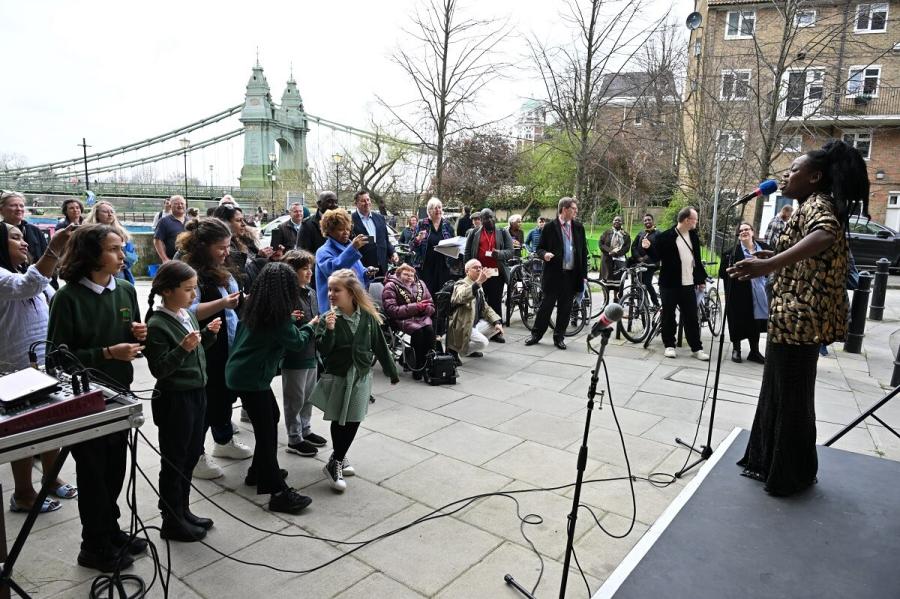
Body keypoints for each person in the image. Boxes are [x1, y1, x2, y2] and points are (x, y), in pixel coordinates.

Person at [727, 139, 867, 497]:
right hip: (791, 315)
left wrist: (770, 264)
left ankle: (790, 474)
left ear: (815, 177)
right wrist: (770, 254)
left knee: (790, 395)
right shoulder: (807, 203)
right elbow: (807, 250)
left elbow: (824, 234)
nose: (786, 176)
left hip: (801, 318)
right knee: (780, 391)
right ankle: (769, 464)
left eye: (794, 171)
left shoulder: (818, 204)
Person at [48, 224, 149, 572]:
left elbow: (133, 343)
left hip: (120, 395)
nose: (123, 256)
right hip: (85, 402)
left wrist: (140, 336)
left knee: (115, 471)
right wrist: (107, 352)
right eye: (113, 249)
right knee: (92, 475)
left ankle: (111, 530)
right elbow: (57, 360)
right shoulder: (67, 298)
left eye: (122, 248)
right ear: (91, 255)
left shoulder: (124, 290)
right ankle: (93, 545)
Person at [225, 263, 318, 513]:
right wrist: (312, 325)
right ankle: (276, 491)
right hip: (251, 378)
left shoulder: (258, 306)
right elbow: (296, 342)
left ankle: (258, 471)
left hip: (242, 373)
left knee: (271, 418)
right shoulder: (276, 317)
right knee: (267, 432)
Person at [0, 223, 77, 515]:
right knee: (25, 429)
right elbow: (27, 287)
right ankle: (23, 493)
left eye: (23, 237)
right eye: (14, 238)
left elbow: (44, 292)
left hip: (43, 363)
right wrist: (53, 248)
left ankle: (50, 476)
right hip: (15, 368)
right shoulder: (5, 276)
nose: (23, 243)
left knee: (49, 423)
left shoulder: (23, 272)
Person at [144, 262, 222, 541]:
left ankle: (183, 509)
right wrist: (182, 348)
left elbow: (195, 353)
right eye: (188, 289)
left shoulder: (185, 315)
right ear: (167, 290)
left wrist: (208, 337)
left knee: (190, 455)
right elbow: (160, 369)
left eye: (194, 288)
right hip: (175, 399)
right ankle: (171, 518)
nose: (193, 295)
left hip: (197, 393)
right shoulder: (157, 324)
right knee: (174, 459)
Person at [311, 269, 399, 492]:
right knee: (340, 418)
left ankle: (337, 458)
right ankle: (337, 460)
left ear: (351, 292)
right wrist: (329, 330)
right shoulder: (329, 318)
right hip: (339, 375)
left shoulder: (367, 317)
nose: (330, 293)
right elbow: (323, 349)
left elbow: (380, 344)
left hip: (360, 375)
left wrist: (391, 371)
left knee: (355, 418)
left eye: (336, 290)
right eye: (329, 289)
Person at [179, 218, 252, 480]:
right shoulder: (189, 273)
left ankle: (223, 441)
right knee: (206, 405)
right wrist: (223, 303)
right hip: (206, 348)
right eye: (221, 247)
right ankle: (196, 456)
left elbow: (234, 303)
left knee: (224, 398)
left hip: (229, 346)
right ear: (203, 246)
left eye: (228, 246)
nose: (226, 252)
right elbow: (185, 312)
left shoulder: (225, 269)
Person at [643, 206, 710, 361]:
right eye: (695, 219)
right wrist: (647, 248)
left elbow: (697, 259)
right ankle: (669, 345)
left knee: (692, 316)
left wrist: (700, 279)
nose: (696, 222)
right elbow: (656, 257)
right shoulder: (666, 236)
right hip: (669, 284)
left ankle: (697, 348)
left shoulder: (693, 235)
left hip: (688, 283)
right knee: (668, 315)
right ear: (687, 220)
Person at [280, 250, 328, 456]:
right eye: (304, 269)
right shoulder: (287, 297)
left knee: (308, 396)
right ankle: (294, 438)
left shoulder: (311, 292)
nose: (309, 272)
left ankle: (305, 429)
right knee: (295, 398)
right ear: (292, 272)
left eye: (310, 268)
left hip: (311, 352)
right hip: (294, 355)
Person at [525, 197, 588, 350]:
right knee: (546, 306)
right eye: (574, 208)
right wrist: (545, 254)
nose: (576, 211)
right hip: (554, 274)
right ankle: (536, 334)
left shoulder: (579, 227)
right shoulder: (549, 227)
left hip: (571, 275)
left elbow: (583, 253)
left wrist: (584, 276)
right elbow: (539, 248)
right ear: (564, 209)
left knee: (565, 309)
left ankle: (559, 337)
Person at [719, 222, 769, 364]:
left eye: (747, 229)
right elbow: (722, 273)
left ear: (753, 232)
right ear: (738, 235)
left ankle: (754, 351)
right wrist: (736, 267)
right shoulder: (731, 252)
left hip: (761, 292)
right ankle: (737, 350)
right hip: (740, 293)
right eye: (741, 231)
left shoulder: (765, 249)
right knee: (738, 320)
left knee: (756, 322)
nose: (744, 232)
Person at [463, 209, 515, 341]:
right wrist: (468, 270)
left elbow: (510, 252)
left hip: (495, 274)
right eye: (486, 218)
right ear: (481, 219)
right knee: (477, 302)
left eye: (491, 217)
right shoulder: (474, 233)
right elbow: (467, 252)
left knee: (495, 302)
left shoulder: (503, 232)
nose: (490, 220)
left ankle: (496, 332)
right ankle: (475, 331)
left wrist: (499, 254)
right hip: (478, 274)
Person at [381, 263, 436, 380]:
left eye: (411, 274)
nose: (409, 277)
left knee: (430, 330)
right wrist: (416, 307)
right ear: (399, 274)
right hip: (401, 318)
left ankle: (429, 364)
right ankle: (418, 366)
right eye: (406, 274)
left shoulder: (421, 284)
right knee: (419, 332)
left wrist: (424, 308)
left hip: (420, 316)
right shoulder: (391, 286)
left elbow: (431, 305)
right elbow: (392, 310)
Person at [447, 259, 504, 364]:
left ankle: (469, 348)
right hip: (462, 324)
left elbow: (485, 307)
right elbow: (461, 296)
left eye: (480, 267)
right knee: (483, 343)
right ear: (467, 271)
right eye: (475, 267)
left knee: (496, 326)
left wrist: (496, 322)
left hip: (474, 323)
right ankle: (457, 351)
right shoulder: (461, 284)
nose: (479, 269)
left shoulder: (478, 286)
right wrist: (478, 283)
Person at [314, 208, 369, 311]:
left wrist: (367, 273)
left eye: (348, 229)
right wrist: (352, 248)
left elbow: (357, 274)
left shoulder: (349, 247)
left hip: (353, 304)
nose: (346, 233)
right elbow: (334, 271)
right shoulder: (323, 251)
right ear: (329, 231)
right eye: (340, 229)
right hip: (333, 307)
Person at [213, 204, 276, 288]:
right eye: (238, 220)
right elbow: (243, 279)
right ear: (225, 224)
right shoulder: (226, 250)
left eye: (243, 220)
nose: (243, 224)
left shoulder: (246, 240)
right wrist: (260, 258)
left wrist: (270, 257)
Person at [86, 201, 138, 284]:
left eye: (112, 211)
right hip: (97, 273)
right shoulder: (88, 233)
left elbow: (132, 254)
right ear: (96, 214)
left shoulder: (122, 232)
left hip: (119, 273)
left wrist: (126, 263)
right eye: (105, 212)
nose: (110, 214)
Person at [412, 197, 456, 295]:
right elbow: (412, 246)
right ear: (429, 211)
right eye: (434, 208)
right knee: (427, 293)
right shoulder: (422, 224)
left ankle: (441, 311)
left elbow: (454, 243)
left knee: (443, 293)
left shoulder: (447, 225)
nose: (438, 210)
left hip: (444, 265)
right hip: (426, 265)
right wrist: (419, 238)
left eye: (439, 207)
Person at [351, 190, 397, 277]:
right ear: (356, 204)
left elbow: (385, 240)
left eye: (368, 200)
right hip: (362, 268)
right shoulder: (351, 220)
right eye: (363, 201)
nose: (366, 203)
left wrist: (392, 253)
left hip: (382, 267)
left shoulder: (380, 218)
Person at [301, 191, 339, 287]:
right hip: (318, 278)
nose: (334, 205)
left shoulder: (342, 223)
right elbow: (303, 253)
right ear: (319, 204)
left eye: (335, 202)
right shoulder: (307, 225)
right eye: (329, 202)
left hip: (339, 276)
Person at [0, 191, 47, 263]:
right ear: (1, 210)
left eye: (21, 206)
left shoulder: (35, 231)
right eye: (13, 205)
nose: (19, 209)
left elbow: (45, 255)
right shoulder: (1, 231)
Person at [630, 213, 659, 306]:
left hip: (651, 263)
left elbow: (659, 248)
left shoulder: (658, 233)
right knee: (640, 283)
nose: (647, 222)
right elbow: (634, 246)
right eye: (645, 220)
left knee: (647, 283)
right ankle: (644, 304)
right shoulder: (641, 233)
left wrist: (646, 257)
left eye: (649, 220)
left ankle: (656, 303)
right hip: (639, 262)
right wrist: (638, 257)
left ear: (653, 221)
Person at [154, 195, 186, 262]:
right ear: (170, 206)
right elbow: (157, 241)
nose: (180, 205)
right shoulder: (164, 221)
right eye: (176, 204)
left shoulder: (190, 221)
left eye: (182, 203)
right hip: (172, 261)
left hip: (189, 261)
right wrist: (164, 259)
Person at [599, 215, 630, 281]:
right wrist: (610, 251)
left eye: (619, 220)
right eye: (615, 220)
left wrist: (616, 253)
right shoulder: (606, 233)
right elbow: (601, 243)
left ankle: (617, 291)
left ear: (622, 223)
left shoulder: (625, 235)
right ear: (612, 222)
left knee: (617, 282)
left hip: (619, 260)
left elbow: (627, 247)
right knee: (606, 281)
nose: (617, 221)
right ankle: (606, 291)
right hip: (607, 259)